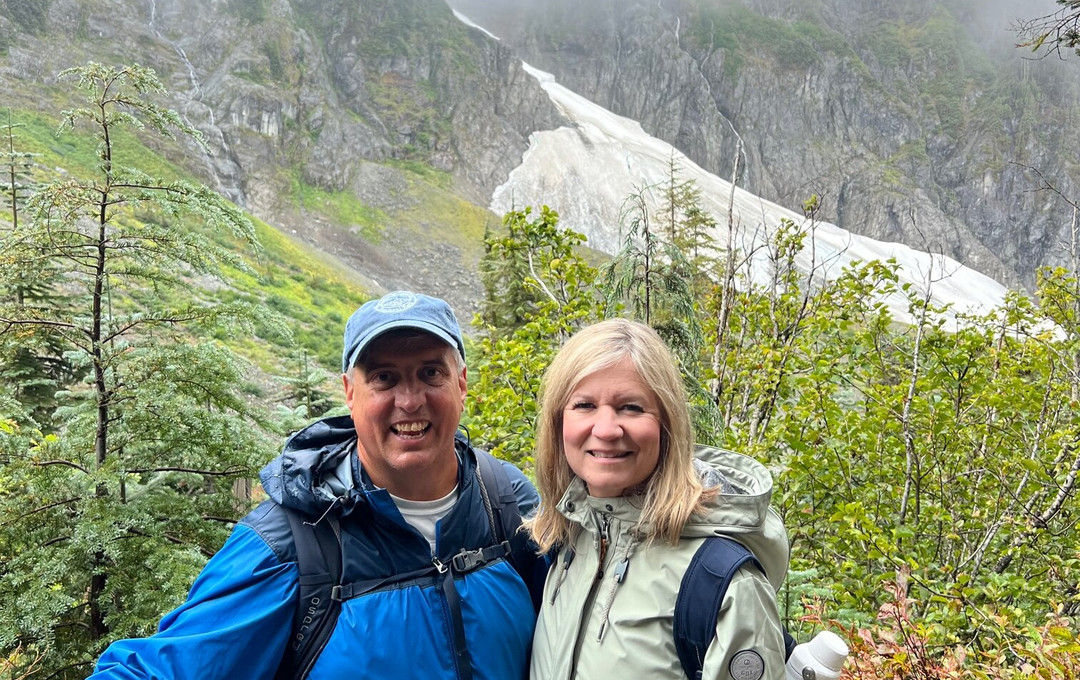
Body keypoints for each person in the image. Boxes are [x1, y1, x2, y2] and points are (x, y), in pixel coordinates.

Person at [88, 291, 540, 680]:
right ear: (349, 392)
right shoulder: (292, 542)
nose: (409, 400)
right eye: (384, 377)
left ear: (461, 384)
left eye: (430, 373)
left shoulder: (506, 502)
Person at [528, 319, 789, 680]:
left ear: (667, 425)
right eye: (585, 405)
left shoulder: (724, 584)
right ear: (558, 423)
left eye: (631, 408)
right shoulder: (571, 539)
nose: (605, 429)